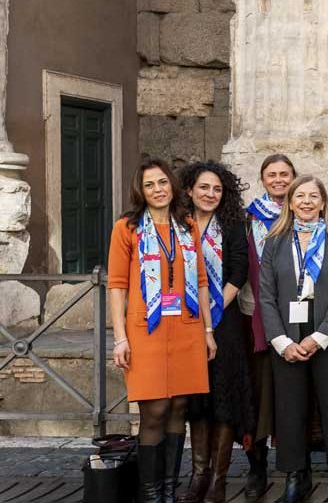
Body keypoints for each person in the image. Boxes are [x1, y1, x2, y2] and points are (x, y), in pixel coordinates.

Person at [109, 158, 217, 503]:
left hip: (186, 328)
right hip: (146, 331)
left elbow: (201, 281)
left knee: (179, 409)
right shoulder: (127, 228)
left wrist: (207, 330)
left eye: (162, 182)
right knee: (154, 411)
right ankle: (151, 494)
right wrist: (120, 338)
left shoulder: (186, 225)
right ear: (141, 191)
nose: (157, 189)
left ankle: (169, 491)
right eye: (149, 185)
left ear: (172, 185)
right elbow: (117, 285)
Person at [259, 176, 328, 503]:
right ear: (290, 202)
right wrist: (281, 341)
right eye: (299, 196)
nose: (306, 201)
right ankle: (295, 476)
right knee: (290, 410)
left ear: (323, 202)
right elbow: (266, 295)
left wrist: (319, 337)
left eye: (313, 196)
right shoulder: (275, 241)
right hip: (287, 337)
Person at [177, 161, 255, 503]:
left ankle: (219, 481)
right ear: (190, 190)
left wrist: (214, 308)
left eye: (217, 189)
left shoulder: (233, 224)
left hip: (225, 320)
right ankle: (199, 476)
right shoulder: (179, 223)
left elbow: (239, 271)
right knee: (198, 400)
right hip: (185, 318)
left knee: (223, 399)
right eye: (204, 187)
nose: (210, 194)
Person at [241, 153, 296, 500]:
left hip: (297, 318)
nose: (278, 180)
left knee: (292, 394)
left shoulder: (305, 214)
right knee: (259, 395)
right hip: (255, 316)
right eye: (271, 174)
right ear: (262, 179)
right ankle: (257, 465)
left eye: (284, 174)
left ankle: (296, 467)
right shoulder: (248, 218)